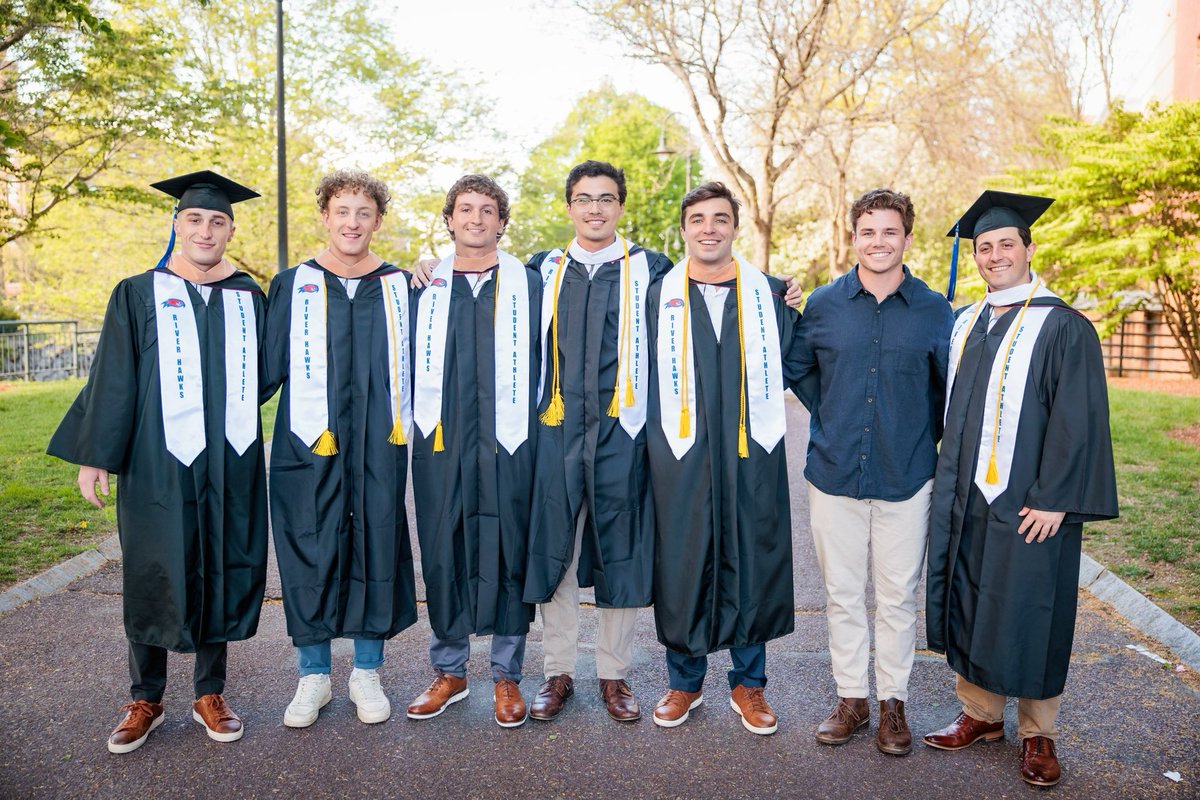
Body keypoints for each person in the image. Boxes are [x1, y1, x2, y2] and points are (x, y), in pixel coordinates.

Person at [48, 170, 267, 753]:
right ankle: (145, 695)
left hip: (228, 458)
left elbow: (269, 373)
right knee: (153, 566)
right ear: (176, 224)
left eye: (217, 221)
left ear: (230, 230)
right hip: (156, 459)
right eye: (195, 219)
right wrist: (95, 457)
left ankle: (209, 692)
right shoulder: (139, 291)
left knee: (221, 561)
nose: (205, 229)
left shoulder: (248, 296)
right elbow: (113, 378)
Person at [923, 191, 1118, 787]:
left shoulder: (1062, 325)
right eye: (984, 247)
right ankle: (980, 714)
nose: (994, 255)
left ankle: (1039, 732)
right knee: (973, 590)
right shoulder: (966, 324)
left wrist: (1058, 495)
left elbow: (1078, 416)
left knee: (1033, 603)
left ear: (1029, 249)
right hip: (970, 494)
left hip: (1032, 499)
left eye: (1007, 244)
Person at [789, 188, 953, 755]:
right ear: (852, 237)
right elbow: (801, 371)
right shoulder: (824, 305)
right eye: (867, 232)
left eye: (889, 232)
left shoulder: (934, 310)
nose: (878, 242)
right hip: (834, 474)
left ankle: (893, 704)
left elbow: (945, 393)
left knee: (897, 595)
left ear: (907, 238)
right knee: (841, 593)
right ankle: (852, 698)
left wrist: (909, 433)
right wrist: (835, 417)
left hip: (907, 476)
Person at [263, 169, 417, 728]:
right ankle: (313, 674)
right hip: (307, 443)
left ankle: (367, 670)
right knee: (310, 540)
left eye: (364, 213)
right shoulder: (292, 284)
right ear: (325, 216)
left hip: (380, 439)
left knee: (377, 535)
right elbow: (259, 373)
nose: (353, 223)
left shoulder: (402, 286)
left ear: (378, 220)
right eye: (342, 211)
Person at [645, 182, 799, 736]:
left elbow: (805, 363)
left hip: (748, 452)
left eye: (720, 218)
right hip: (678, 453)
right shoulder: (655, 294)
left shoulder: (769, 296)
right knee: (683, 559)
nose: (708, 228)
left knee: (750, 554)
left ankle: (748, 684)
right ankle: (684, 682)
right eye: (698, 219)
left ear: (735, 226)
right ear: (684, 229)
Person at [522, 161, 672, 724]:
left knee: (621, 548)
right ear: (568, 207)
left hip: (622, 429)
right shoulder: (541, 269)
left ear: (621, 207)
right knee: (554, 549)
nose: (594, 209)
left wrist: (779, 290)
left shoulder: (652, 269)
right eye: (583, 199)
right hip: (555, 429)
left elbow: (714, 283)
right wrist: (428, 268)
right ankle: (558, 670)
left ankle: (614, 673)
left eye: (606, 199)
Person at [404, 175, 540, 728]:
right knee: (443, 543)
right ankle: (451, 670)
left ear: (503, 222)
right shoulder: (422, 285)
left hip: (511, 440)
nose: (477, 219)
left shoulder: (529, 283)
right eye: (466, 209)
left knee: (509, 545)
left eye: (488, 210)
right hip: (442, 438)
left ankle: (507, 675)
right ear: (450, 219)